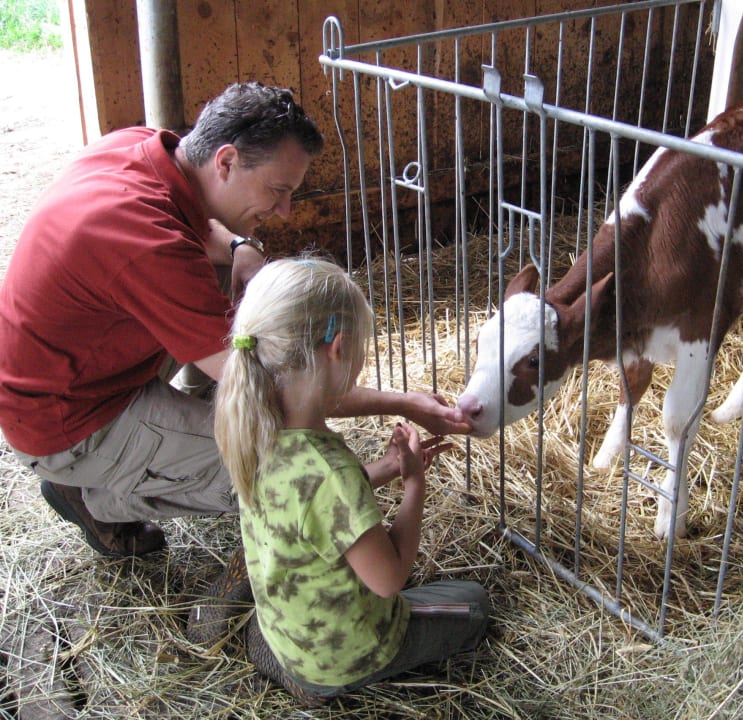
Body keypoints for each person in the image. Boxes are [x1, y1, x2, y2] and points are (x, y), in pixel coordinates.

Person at [0, 81, 471, 558]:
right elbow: (275, 392)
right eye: (278, 190)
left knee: (232, 269)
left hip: (86, 363)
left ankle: (149, 443)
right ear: (224, 161)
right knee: (274, 460)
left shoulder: (142, 149)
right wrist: (403, 404)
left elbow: (197, 225)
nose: (284, 212)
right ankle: (98, 497)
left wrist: (238, 247)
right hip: (71, 421)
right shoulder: (149, 245)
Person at [213, 256, 489, 703]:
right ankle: (324, 683)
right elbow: (389, 579)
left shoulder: (254, 427)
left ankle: (281, 655)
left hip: (287, 631)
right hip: (344, 654)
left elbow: (307, 504)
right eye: (362, 350)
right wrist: (414, 485)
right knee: (475, 605)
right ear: (337, 348)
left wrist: (382, 470)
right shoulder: (330, 470)